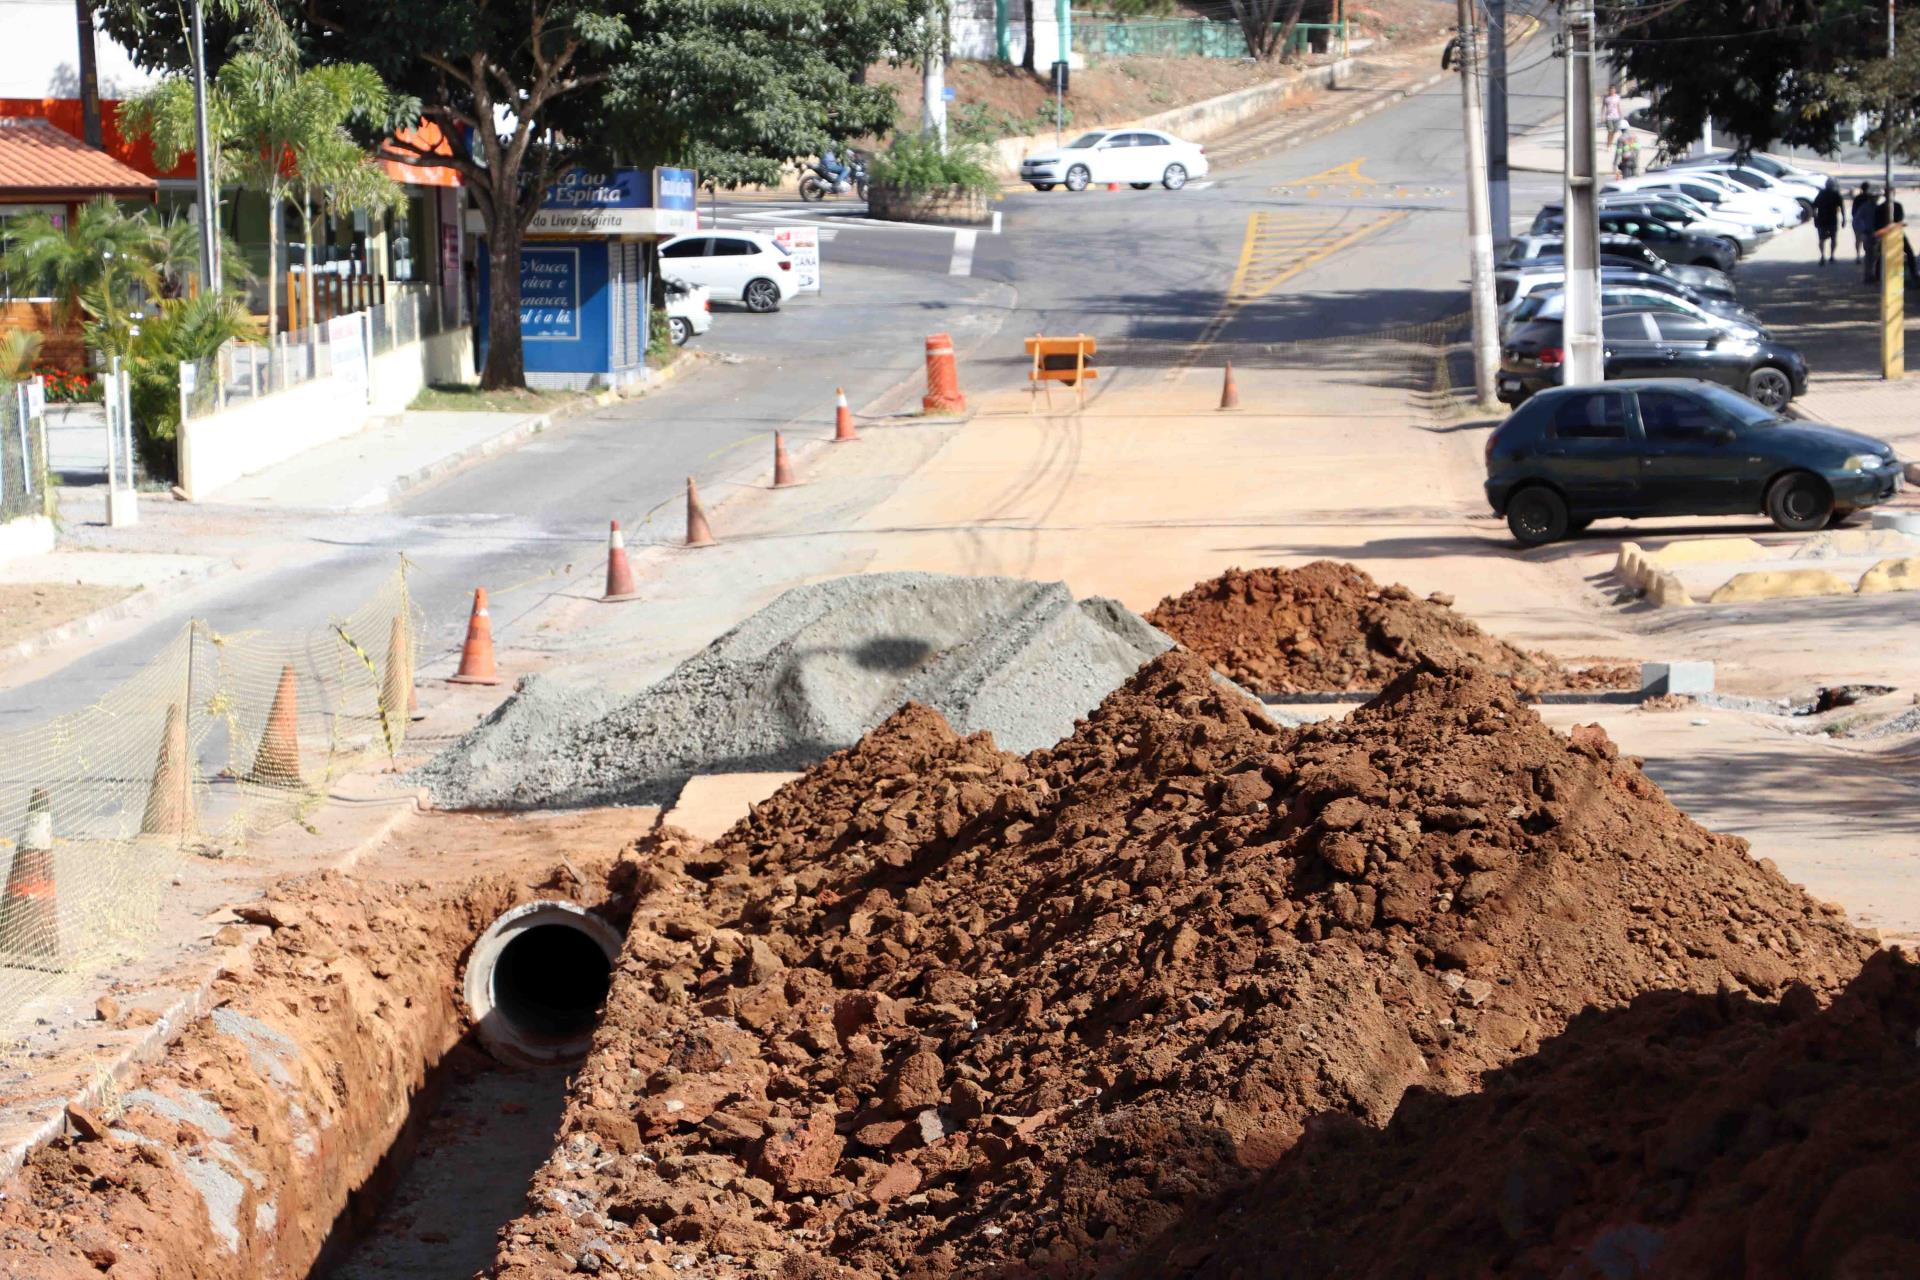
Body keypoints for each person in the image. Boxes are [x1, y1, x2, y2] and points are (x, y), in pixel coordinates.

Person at [1812, 177, 1843, 264]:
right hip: (1832, 219)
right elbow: (1842, 207)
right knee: (1833, 238)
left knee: (1821, 239)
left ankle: (1822, 256)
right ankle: (1831, 256)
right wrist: (1844, 219)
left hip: (1822, 219)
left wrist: (1815, 217)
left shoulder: (1821, 194)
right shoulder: (1836, 194)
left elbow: (1814, 206)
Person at [1852, 182, 1878, 266]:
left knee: (1858, 239)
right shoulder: (1870, 199)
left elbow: (1853, 211)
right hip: (1869, 223)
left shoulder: (1857, 198)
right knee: (1868, 240)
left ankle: (1858, 255)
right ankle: (1867, 255)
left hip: (1857, 222)